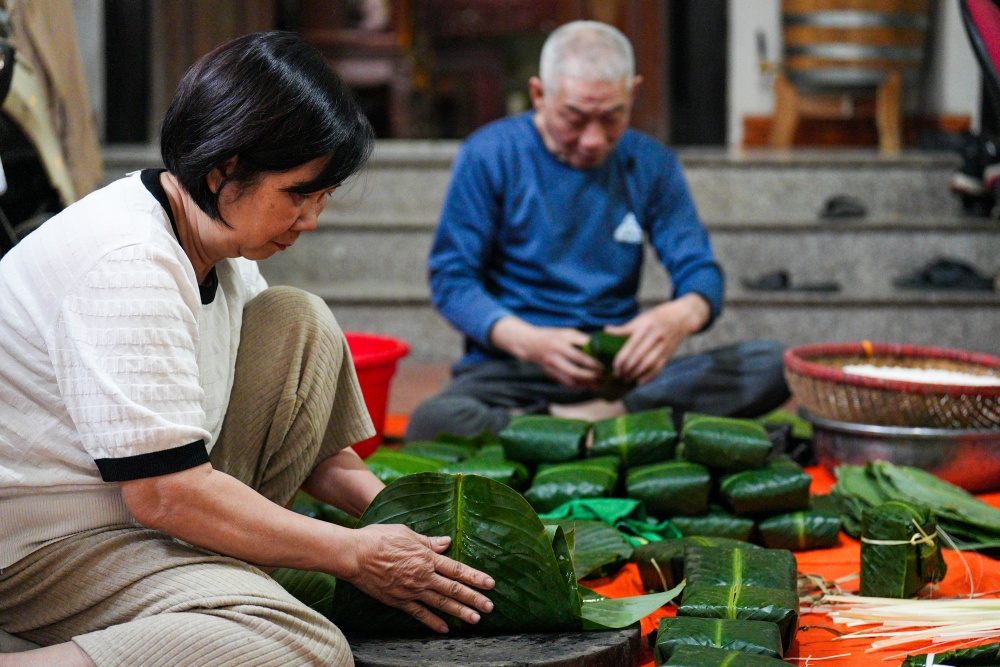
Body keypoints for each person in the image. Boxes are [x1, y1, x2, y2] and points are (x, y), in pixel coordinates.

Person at [0, 32, 493, 667]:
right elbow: (164, 494)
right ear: (223, 170)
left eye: (322, 198)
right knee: (303, 646)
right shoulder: (128, 261)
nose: (310, 221)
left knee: (298, 318)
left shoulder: (221, 247)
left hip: (140, 511)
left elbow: (314, 451)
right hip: (44, 551)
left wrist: (408, 531)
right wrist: (352, 553)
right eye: (298, 194)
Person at [405, 21, 790, 442]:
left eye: (612, 117)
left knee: (775, 364)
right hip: (514, 369)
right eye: (574, 118)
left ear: (633, 92)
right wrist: (531, 342)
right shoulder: (489, 155)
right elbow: (452, 280)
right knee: (433, 421)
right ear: (539, 94)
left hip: (618, 375)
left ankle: (569, 428)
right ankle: (614, 430)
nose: (593, 140)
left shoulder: (653, 164)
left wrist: (681, 315)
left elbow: (699, 269)